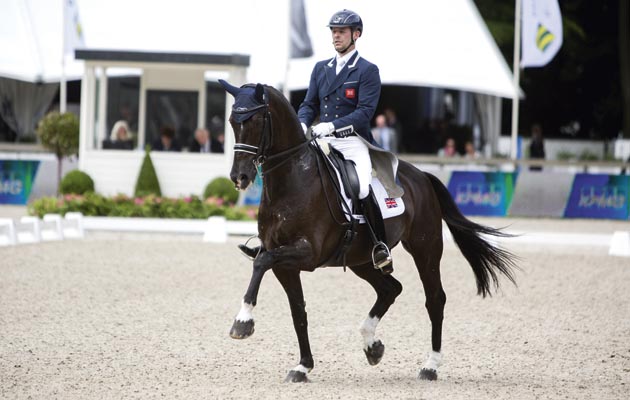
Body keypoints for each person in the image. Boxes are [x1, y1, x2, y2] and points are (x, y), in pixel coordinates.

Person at [239, 9, 393, 274]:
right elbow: (309, 104)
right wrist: (300, 124)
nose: (336, 35)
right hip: (321, 139)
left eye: (342, 31)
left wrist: (332, 125)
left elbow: (365, 112)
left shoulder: (367, 70)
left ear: (356, 34)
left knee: (363, 187)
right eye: (333, 31)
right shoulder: (321, 68)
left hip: (353, 141)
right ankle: (269, 242)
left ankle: (379, 246)